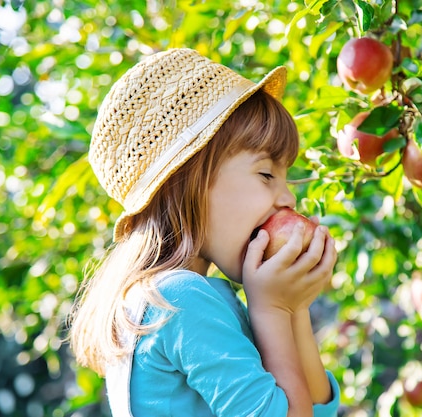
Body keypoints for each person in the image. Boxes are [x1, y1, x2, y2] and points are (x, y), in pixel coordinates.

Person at [68, 48, 340, 417]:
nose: (289, 197)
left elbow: (316, 409)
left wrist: (294, 309)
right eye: (265, 174)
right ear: (190, 181)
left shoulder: (175, 299)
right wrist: (274, 308)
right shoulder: (178, 301)